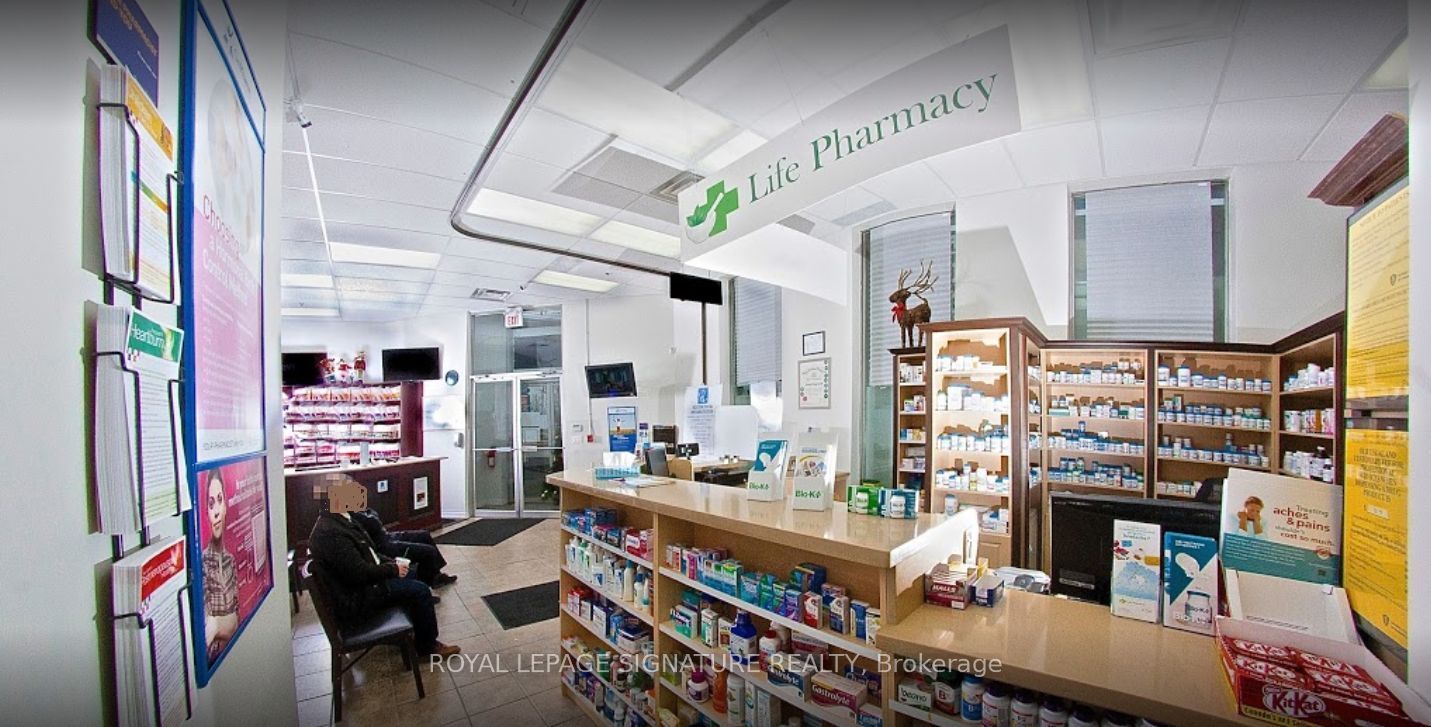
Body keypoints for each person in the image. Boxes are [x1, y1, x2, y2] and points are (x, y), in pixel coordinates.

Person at [308, 476, 459, 657]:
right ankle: (427, 647)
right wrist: (392, 569)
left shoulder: (340, 520)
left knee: (410, 576)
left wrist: (391, 564)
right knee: (420, 591)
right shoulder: (331, 532)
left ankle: (412, 630)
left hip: (360, 586)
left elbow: (369, 552)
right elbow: (359, 572)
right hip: (357, 597)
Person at [350, 508, 457, 588]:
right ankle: (423, 585)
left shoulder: (357, 508)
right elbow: (373, 521)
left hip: (387, 536)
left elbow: (373, 513)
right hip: (383, 545)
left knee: (424, 535)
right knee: (428, 551)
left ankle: (436, 575)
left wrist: (371, 514)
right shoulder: (350, 515)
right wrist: (371, 515)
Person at [202, 470, 239, 661]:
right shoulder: (202, 564)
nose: (216, 511)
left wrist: (218, 624)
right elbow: (207, 631)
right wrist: (220, 625)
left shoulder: (229, 560)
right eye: (210, 504)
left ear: (225, 505)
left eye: (219, 500)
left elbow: (234, 622)